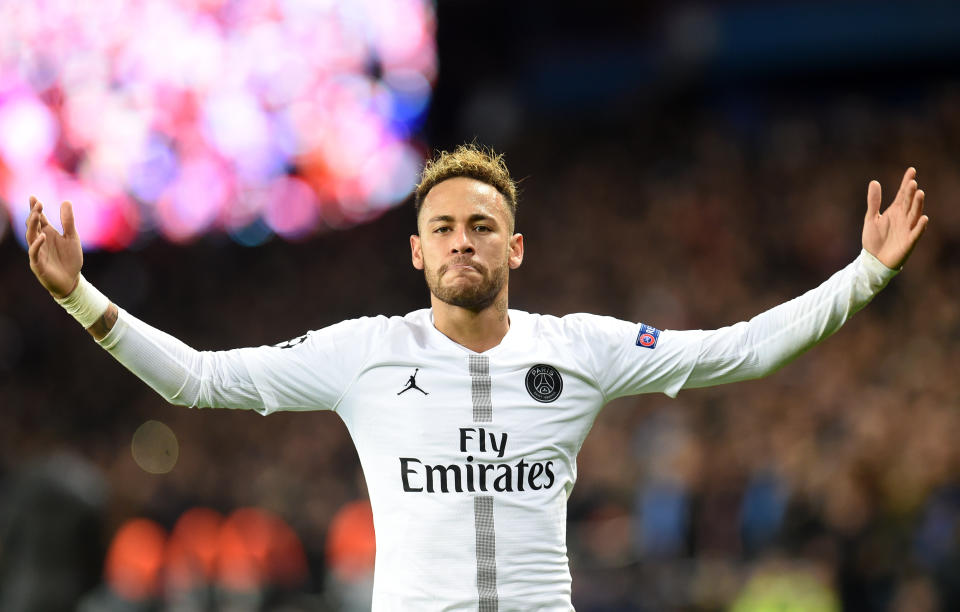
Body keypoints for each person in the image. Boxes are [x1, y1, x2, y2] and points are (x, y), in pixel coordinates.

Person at [25, 145, 928, 610]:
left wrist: (867, 274)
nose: (465, 240)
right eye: (446, 227)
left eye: (483, 226)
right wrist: (78, 298)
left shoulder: (581, 347)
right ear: (417, 253)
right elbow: (196, 380)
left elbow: (741, 349)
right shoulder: (364, 353)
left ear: (515, 247)